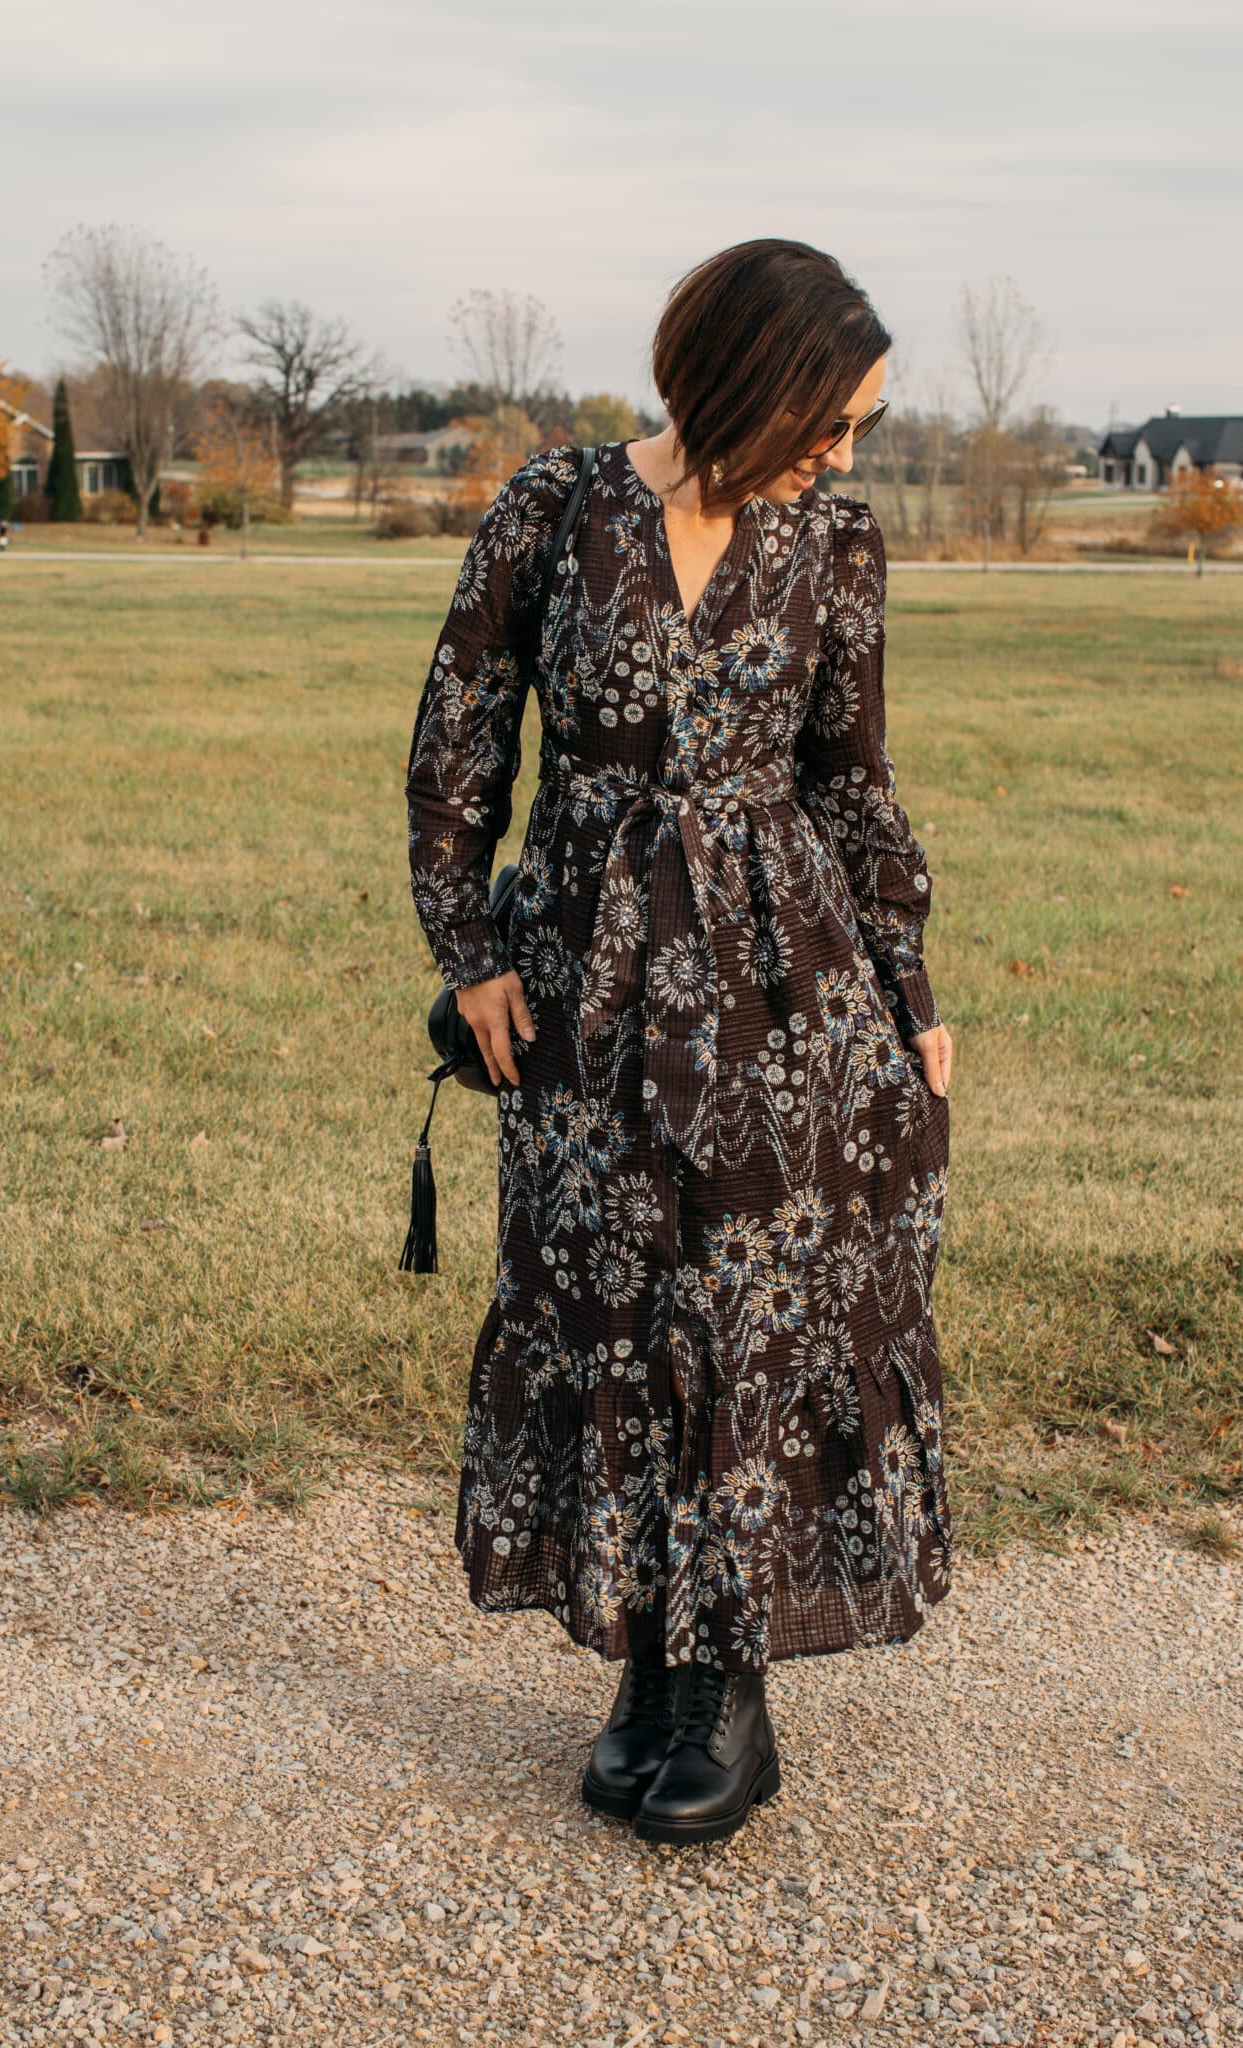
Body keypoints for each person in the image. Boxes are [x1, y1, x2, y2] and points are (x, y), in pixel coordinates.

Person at [404, 237, 954, 1847]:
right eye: (828, 416)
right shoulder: (550, 507)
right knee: (610, 1305)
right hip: (584, 976)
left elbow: (850, 780)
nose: (844, 453)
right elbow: (454, 744)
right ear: (746, 382)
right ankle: (642, 1667)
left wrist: (912, 999)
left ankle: (726, 1686)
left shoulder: (833, 541)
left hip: (785, 995)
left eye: (858, 426)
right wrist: (474, 955)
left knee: (751, 1314)